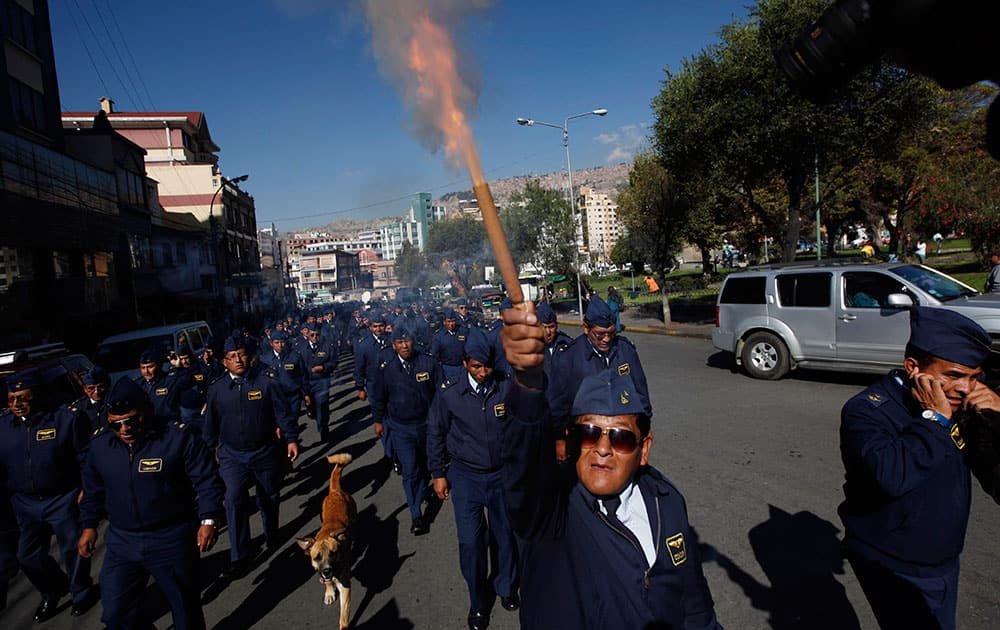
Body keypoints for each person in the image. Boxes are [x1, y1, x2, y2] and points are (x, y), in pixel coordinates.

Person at [498, 305, 722, 630]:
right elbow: (523, 470)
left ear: (643, 448)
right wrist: (528, 387)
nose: (602, 448)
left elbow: (694, 603)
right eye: (588, 433)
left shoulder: (668, 503)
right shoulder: (551, 508)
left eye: (620, 438)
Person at [839, 306, 1000, 630]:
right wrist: (935, 419)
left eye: (973, 377)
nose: (965, 388)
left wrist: (996, 420)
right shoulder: (868, 411)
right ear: (913, 367)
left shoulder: (963, 406)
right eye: (953, 375)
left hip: (942, 556)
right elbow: (891, 477)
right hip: (893, 559)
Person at [78, 377, 224, 630]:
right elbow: (92, 490)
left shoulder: (177, 438)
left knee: (184, 610)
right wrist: (89, 525)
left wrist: (208, 518)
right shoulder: (101, 446)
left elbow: (208, 480)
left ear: (146, 411)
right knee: (115, 613)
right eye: (117, 424)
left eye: (132, 421)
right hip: (122, 541)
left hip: (170, 538)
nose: (125, 429)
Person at [427, 328, 519, 630]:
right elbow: (436, 433)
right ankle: (479, 602)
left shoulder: (505, 387)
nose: (482, 373)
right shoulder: (450, 393)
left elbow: (521, 428)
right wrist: (438, 474)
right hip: (465, 476)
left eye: (487, 366)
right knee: (471, 543)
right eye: (476, 366)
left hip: (501, 474)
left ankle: (506, 586)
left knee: (505, 536)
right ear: (466, 363)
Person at [0, 374, 97, 621]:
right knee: (27, 555)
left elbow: (86, 457)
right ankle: (53, 589)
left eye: (23, 398)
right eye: (11, 399)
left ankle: (82, 593)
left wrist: (87, 488)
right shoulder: (3, 426)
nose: (17, 404)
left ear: (37, 395)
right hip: (24, 502)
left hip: (62, 497)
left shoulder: (65, 419)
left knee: (73, 549)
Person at [204, 337, 299, 579]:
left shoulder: (266, 383)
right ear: (224, 362)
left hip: (264, 451)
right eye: (232, 356)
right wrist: (206, 452)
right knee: (234, 499)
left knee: (268, 495)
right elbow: (210, 427)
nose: (238, 359)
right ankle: (240, 555)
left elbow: (282, 412)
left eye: (241, 354)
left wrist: (290, 439)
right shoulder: (216, 389)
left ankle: (271, 532)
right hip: (232, 455)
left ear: (249, 356)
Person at [547, 296, 650, 460]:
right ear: (586, 329)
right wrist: (559, 438)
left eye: (611, 333)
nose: (607, 339)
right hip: (586, 439)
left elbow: (641, 394)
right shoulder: (568, 359)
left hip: (622, 439)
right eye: (600, 334)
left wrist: (643, 430)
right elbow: (557, 405)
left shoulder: (625, 350)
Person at [371, 326, 440, 535]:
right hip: (401, 427)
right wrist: (378, 421)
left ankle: (423, 489)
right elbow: (378, 396)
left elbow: (440, 394)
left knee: (427, 466)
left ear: (413, 341)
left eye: (407, 341)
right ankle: (416, 514)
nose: (404, 346)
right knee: (410, 471)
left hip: (427, 425)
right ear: (393, 345)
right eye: (399, 342)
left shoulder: (427, 362)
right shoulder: (387, 367)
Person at [258, 329, 312, 421]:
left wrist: (306, 394)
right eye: (277, 342)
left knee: (292, 422)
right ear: (271, 344)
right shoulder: (264, 360)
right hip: (276, 399)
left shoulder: (294, 356)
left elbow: (303, 376)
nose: (280, 345)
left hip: (293, 396)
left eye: (282, 342)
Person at [297, 323, 338, 440]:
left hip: (321, 381)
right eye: (312, 335)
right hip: (307, 382)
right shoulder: (300, 348)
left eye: (317, 335)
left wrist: (324, 367)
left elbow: (334, 362)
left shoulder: (327, 346)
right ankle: (314, 414)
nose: (315, 337)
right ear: (307, 335)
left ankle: (323, 428)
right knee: (312, 407)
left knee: (322, 405)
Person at [135, 350, 188, 426]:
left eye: (150, 367)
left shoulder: (170, 380)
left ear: (159, 365)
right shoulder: (138, 384)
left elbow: (188, 381)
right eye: (143, 368)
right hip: (148, 427)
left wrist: (179, 367)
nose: (146, 371)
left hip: (169, 425)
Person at [68, 366, 110, 431]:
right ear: (85, 389)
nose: (96, 392)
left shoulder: (115, 402)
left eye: (100, 387)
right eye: (91, 388)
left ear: (107, 386)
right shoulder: (78, 408)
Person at [432, 309, 468, 383]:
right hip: (447, 368)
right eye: (449, 321)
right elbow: (435, 354)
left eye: (453, 321)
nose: (451, 324)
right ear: (444, 322)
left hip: (462, 367)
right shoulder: (439, 336)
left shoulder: (463, 332)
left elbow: (469, 348)